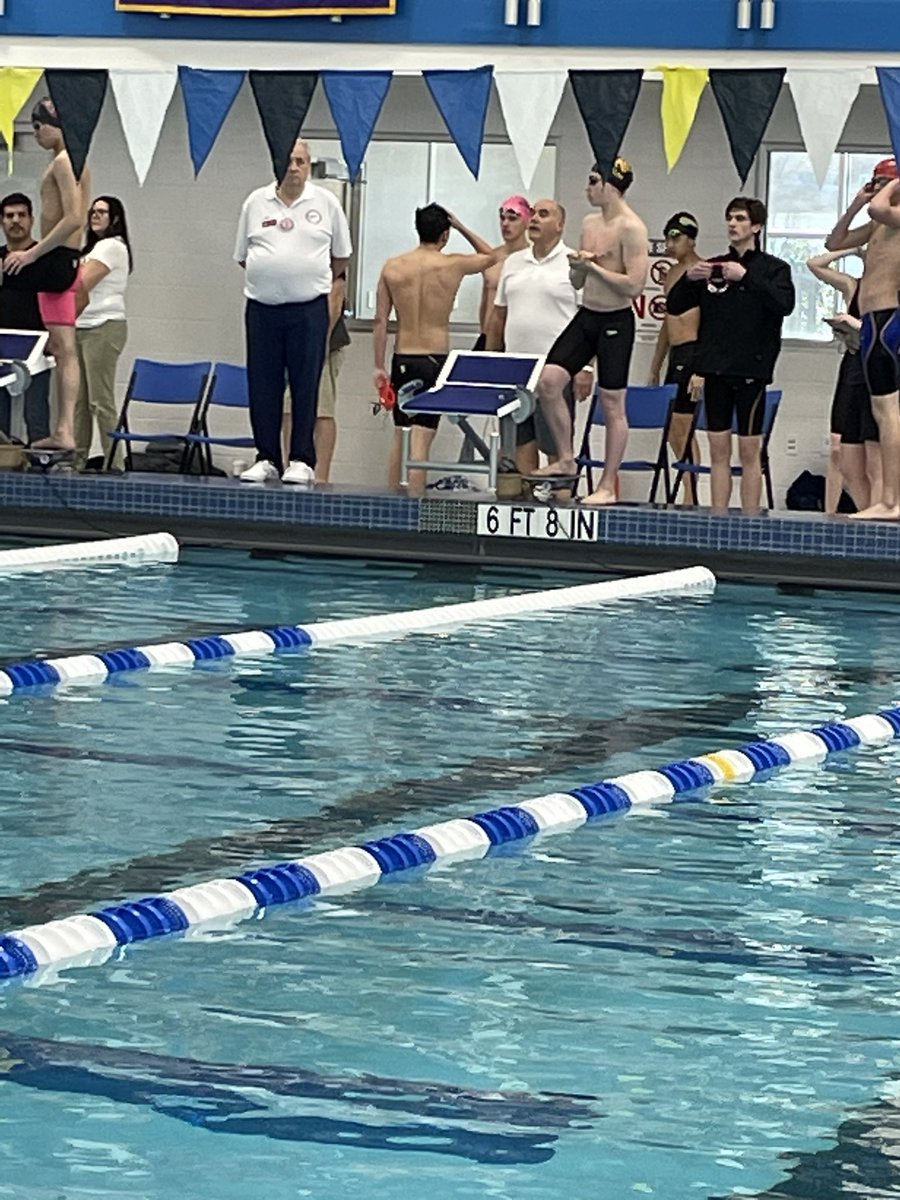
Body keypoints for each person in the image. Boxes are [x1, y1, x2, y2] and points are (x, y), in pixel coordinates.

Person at [667, 196, 795, 515]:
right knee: (718, 448)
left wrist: (746, 278)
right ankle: (719, 517)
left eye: (739, 219)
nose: (732, 224)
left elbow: (785, 306)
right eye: (729, 219)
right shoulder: (715, 268)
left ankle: (749, 519)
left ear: (756, 226)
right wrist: (689, 279)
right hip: (715, 370)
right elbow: (675, 305)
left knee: (749, 450)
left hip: (751, 370)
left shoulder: (773, 269)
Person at [234, 138, 352, 485]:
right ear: (277, 164)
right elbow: (243, 255)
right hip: (263, 308)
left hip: (308, 310)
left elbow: (341, 256)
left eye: (301, 161)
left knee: (305, 385)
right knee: (263, 385)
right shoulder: (255, 203)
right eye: (289, 161)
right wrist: (274, 273)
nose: (294, 168)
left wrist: (304, 276)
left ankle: (301, 458)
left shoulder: (326, 202)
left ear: (309, 165)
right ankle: (267, 456)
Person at [533, 157, 649, 504]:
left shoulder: (632, 228)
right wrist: (579, 269)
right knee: (549, 381)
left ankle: (606, 486)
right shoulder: (588, 223)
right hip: (587, 315)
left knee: (613, 403)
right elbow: (578, 280)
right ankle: (566, 459)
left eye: (593, 181)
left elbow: (634, 286)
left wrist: (594, 269)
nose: (587, 187)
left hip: (616, 320)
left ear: (610, 186)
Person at [373, 203, 495, 491]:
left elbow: (380, 321)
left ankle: (393, 503)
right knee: (422, 437)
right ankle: (415, 507)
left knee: (401, 433)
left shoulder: (392, 267)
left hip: (403, 357)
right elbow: (492, 256)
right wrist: (461, 226)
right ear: (445, 234)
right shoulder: (452, 264)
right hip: (434, 360)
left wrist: (378, 366)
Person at [1, 98, 90, 453]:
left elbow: (73, 218)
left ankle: (64, 430)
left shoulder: (63, 162)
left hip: (54, 262)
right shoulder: (81, 161)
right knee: (64, 350)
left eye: (38, 127)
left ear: (55, 125)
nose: (36, 134)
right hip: (66, 260)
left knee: (63, 350)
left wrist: (32, 254)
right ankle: (64, 430)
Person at [485, 198, 593, 474]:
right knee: (522, 445)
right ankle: (526, 504)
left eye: (543, 214)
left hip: (556, 371)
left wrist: (585, 367)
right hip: (516, 371)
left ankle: (562, 509)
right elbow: (498, 317)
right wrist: (490, 363)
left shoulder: (574, 263)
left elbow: (589, 319)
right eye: (532, 214)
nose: (533, 219)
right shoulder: (512, 263)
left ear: (560, 224)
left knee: (557, 450)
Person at [825, 157, 900, 520]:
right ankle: (887, 501)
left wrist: (884, 189)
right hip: (873, 321)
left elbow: (880, 207)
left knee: (890, 412)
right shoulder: (877, 225)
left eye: (881, 180)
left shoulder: (893, 216)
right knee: (882, 410)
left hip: (891, 320)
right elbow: (834, 240)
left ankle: (892, 501)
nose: (874, 186)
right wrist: (855, 203)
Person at [806, 248, 880, 513]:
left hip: (881, 369)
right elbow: (814, 264)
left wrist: (859, 326)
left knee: (874, 455)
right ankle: (841, 513)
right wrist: (854, 249)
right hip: (853, 365)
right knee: (841, 449)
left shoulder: (892, 291)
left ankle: (878, 517)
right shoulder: (854, 286)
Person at [74, 196, 132, 471]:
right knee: (80, 402)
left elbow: (81, 284)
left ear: (115, 218)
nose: (94, 216)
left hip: (103, 326)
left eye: (102, 212)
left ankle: (114, 463)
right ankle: (78, 460)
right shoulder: (93, 248)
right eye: (92, 211)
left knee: (100, 400)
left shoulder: (111, 246)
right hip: (83, 327)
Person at [648, 212, 702, 503]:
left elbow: (712, 325)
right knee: (674, 429)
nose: (670, 243)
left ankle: (690, 495)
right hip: (676, 356)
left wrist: (702, 369)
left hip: (694, 355)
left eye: (676, 237)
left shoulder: (703, 272)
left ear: (691, 240)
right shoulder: (671, 274)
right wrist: (655, 365)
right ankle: (688, 490)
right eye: (668, 236)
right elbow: (667, 325)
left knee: (683, 427)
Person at [282, 271, 349, 484]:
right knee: (288, 408)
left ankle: (321, 475)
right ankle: (290, 465)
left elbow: (334, 302)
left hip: (322, 346)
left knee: (322, 409)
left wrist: (319, 345)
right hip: (294, 343)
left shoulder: (328, 265)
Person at [0, 193, 50, 444]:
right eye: (9, 216)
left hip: (38, 343)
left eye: (21, 215)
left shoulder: (44, 257)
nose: (15, 221)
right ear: (1, 222)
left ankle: (40, 467)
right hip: (1, 342)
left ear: (31, 220)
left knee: (36, 412)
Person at [477, 195, 531, 345]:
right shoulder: (493, 256)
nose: (505, 224)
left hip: (513, 340)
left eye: (513, 219)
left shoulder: (531, 260)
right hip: (487, 338)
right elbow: (485, 298)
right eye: (502, 218)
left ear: (527, 222)